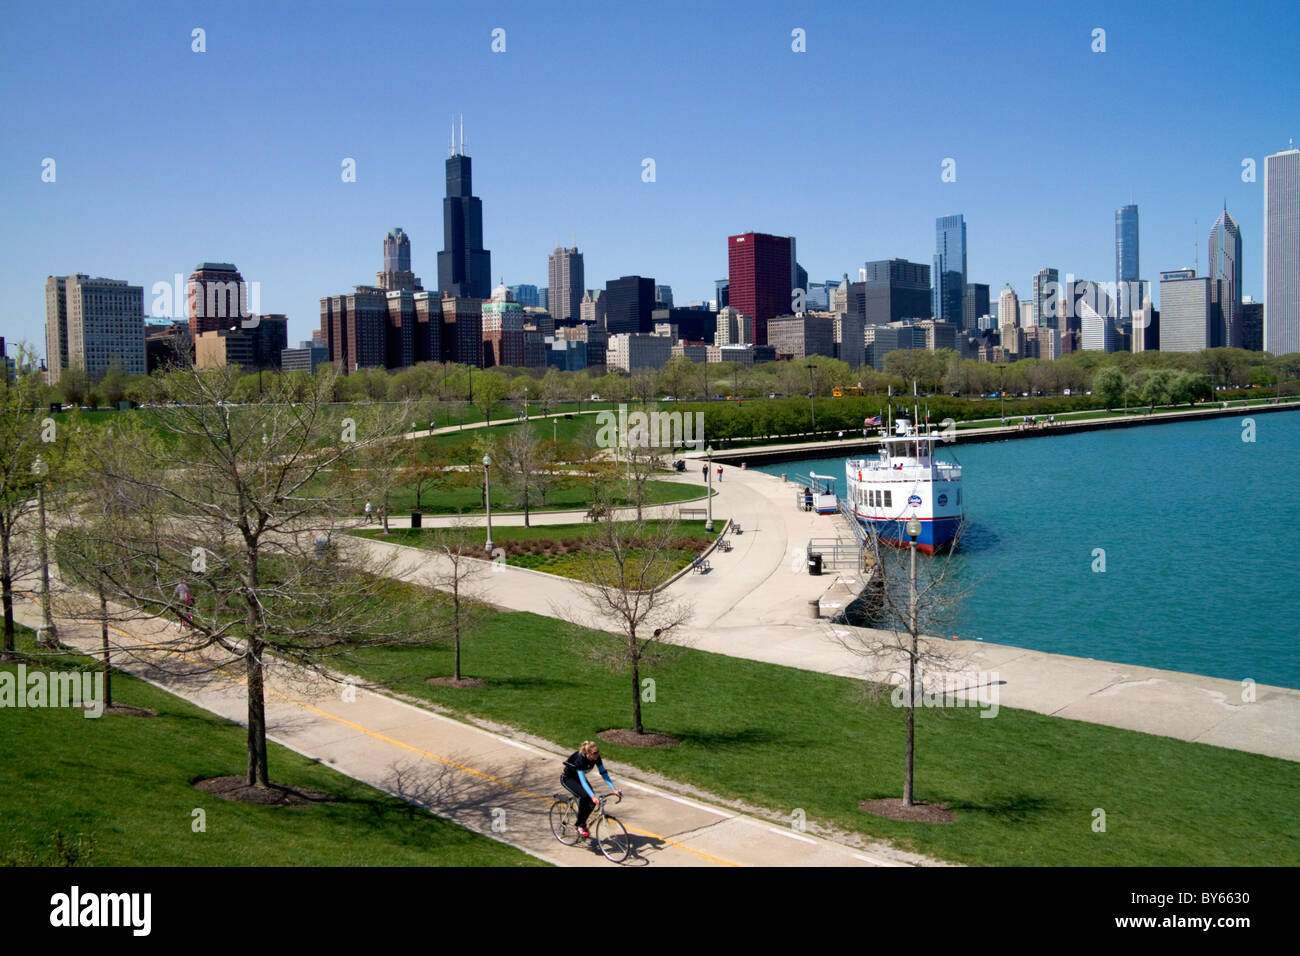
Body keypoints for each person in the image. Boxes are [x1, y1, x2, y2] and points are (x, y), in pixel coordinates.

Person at [561, 741, 621, 839]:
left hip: (578, 779)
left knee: (592, 803)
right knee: (585, 796)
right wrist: (592, 796)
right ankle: (579, 825)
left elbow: (604, 773)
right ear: (588, 753)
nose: (597, 755)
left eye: (598, 752)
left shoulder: (596, 758)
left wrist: (613, 789)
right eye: (595, 753)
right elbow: (583, 782)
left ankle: (582, 822)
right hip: (568, 778)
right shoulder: (580, 760)